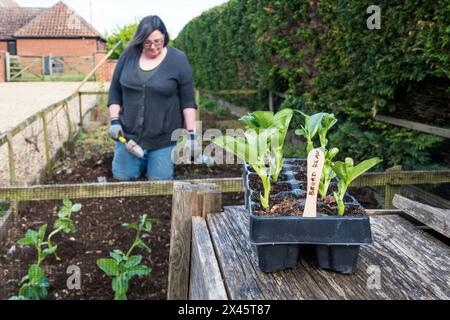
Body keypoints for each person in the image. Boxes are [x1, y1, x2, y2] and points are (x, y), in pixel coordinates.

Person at [107, 15, 197, 181]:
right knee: (123, 177)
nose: (154, 47)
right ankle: (137, 163)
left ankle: (152, 160)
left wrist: (191, 133)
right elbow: (114, 92)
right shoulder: (128, 55)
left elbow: (188, 101)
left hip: (163, 137)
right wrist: (114, 121)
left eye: (158, 41)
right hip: (129, 136)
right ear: (140, 40)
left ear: (165, 37)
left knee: (160, 181)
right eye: (147, 43)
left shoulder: (178, 59)